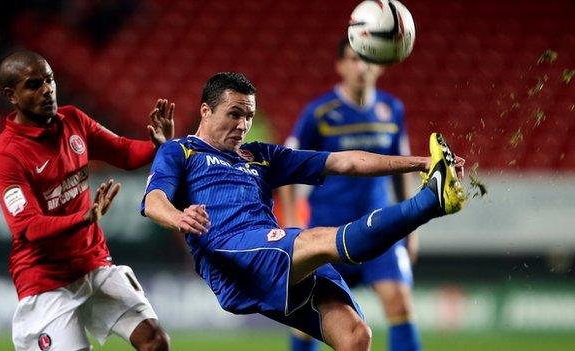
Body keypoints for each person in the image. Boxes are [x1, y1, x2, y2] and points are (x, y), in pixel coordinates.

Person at [141, 72, 466, 351]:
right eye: (234, 113)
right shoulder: (181, 150)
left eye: (249, 116)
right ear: (206, 111)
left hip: (266, 257)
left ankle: (431, 193)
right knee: (319, 240)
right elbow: (153, 200)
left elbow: (344, 161)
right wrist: (178, 217)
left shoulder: (260, 155)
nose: (243, 125)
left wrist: (423, 162)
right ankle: (429, 203)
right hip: (232, 251)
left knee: (355, 335)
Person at [0, 51, 173, 351]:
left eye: (49, 80)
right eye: (33, 85)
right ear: (12, 95)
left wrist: (158, 147)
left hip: (93, 263)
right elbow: (28, 227)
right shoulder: (6, 155)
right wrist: (84, 218)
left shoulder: (73, 120)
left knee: (155, 341)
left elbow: (124, 153)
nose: (47, 90)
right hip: (46, 281)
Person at [281, 37, 422, 351]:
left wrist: (410, 230)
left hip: (380, 227)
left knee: (400, 304)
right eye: (353, 60)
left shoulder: (392, 110)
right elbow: (287, 164)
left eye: (368, 59)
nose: (361, 67)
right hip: (328, 232)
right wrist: (292, 220)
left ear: (380, 64)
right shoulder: (319, 113)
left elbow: (402, 170)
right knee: (308, 322)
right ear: (340, 66)